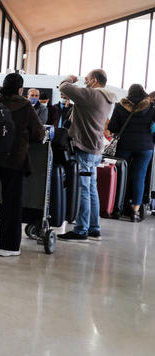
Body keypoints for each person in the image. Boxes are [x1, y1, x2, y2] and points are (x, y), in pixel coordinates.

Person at [0, 73, 45, 257]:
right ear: (20, 89)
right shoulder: (26, 106)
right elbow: (38, 134)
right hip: (14, 160)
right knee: (12, 204)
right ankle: (9, 247)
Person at [57, 70, 117, 242]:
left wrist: (71, 78)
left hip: (84, 148)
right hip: (96, 148)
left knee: (84, 189)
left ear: (95, 81)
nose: (85, 82)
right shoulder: (107, 98)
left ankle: (81, 229)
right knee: (91, 189)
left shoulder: (93, 95)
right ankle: (93, 227)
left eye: (87, 79)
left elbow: (64, 87)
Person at [107, 84, 155, 222]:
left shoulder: (120, 106)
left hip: (125, 145)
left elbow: (112, 127)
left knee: (121, 176)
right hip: (145, 147)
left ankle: (117, 208)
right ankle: (135, 212)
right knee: (139, 177)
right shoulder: (151, 108)